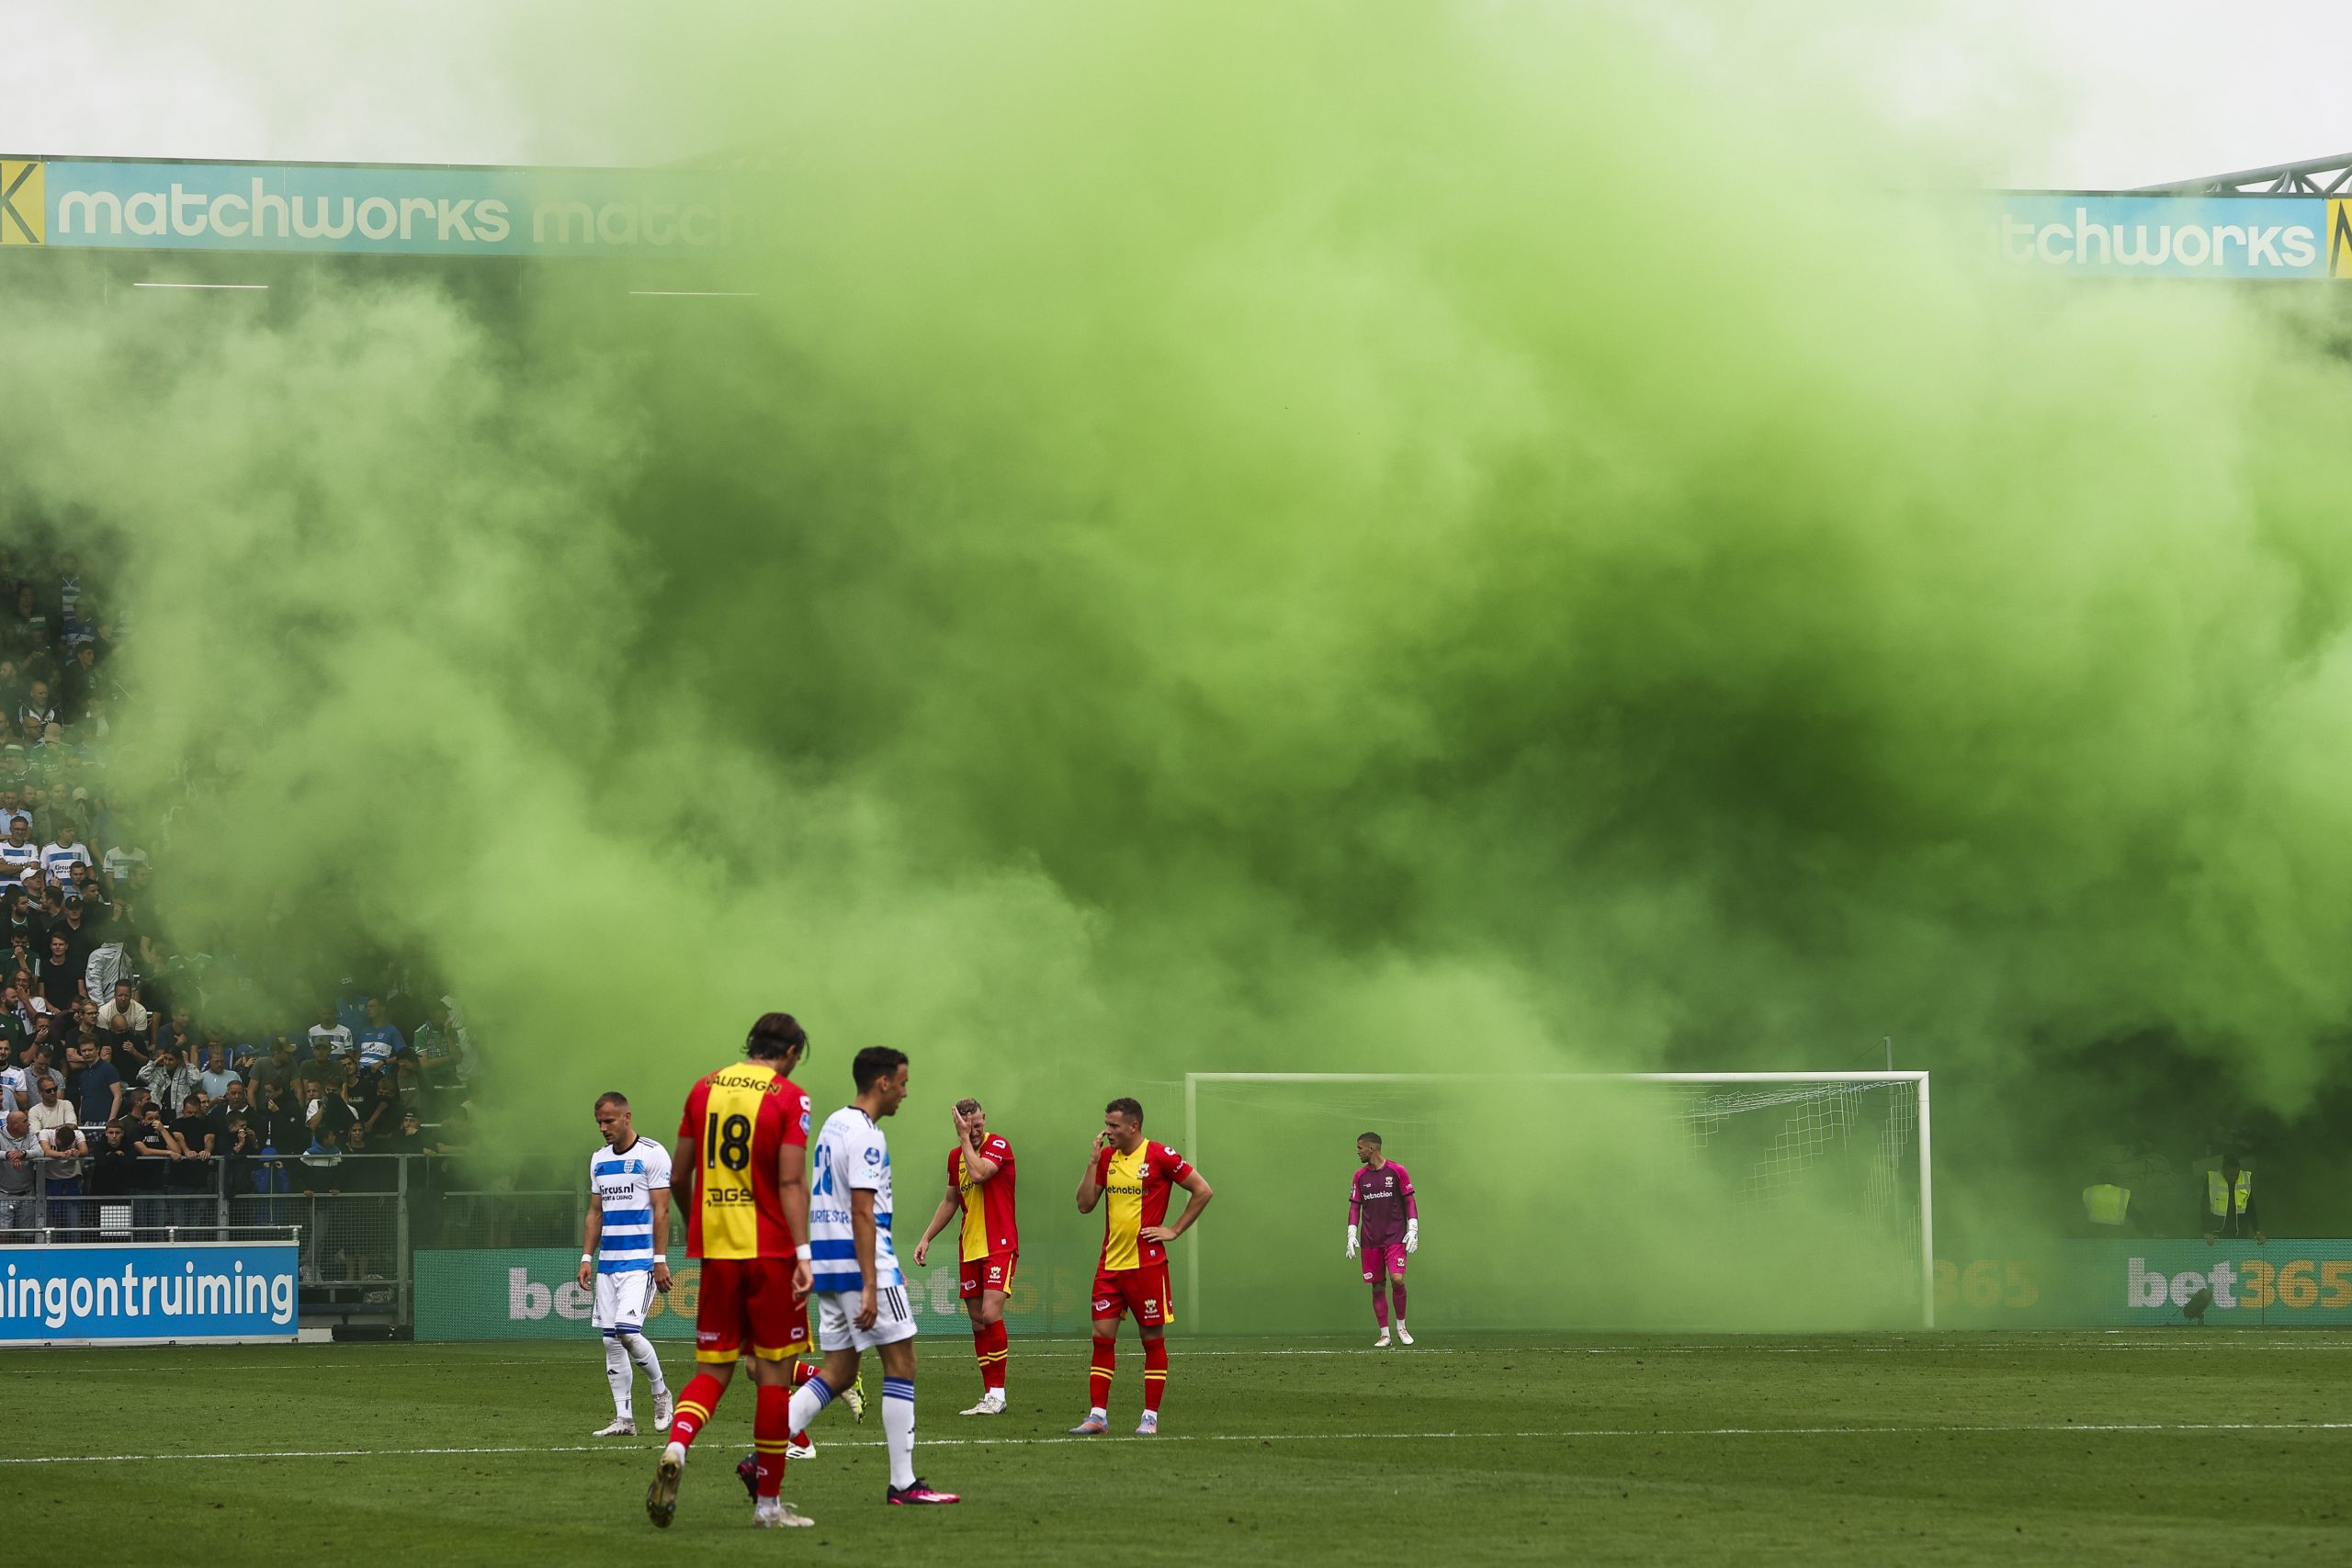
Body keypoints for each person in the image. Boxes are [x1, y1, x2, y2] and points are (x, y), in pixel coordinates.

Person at [755, 1046, 957, 1509]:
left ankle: (761, 1456)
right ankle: (904, 1484)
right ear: (883, 1082)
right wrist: (871, 1281)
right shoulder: (867, 1135)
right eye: (902, 1083)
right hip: (862, 1262)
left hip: (828, 1262)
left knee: (841, 1370)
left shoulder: (831, 1124)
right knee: (902, 1364)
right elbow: (862, 1211)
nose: (906, 1093)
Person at [647, 1012, 820, 1532]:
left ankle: (677, 1445)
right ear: (789, 1052)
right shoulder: (792, 1097)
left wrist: (695, 1220)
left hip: (718, 1250)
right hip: (770, 1252)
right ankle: (768, 1506)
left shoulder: (704, 1088)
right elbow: (790, 1181)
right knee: (772, 1377)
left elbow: (679, 1175)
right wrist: (805, 1252)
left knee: (712, 1370)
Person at [1070, 1096, 1214, 1436]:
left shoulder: (1160, 1156)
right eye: (1107, 1125)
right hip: (1109, 1266)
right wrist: (1092, 1163)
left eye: (1113, 1126)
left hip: (1147, 1267)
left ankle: (1149, 1417)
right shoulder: (1106, 1158)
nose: (1108, 1132)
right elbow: (1084, 1205)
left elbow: (1203, 1190)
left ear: (1134, 1126)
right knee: (1101, 1339)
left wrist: (1174, 1229)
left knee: (1152, 1340)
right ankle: (1097, 1416)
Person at [912, 1095, 1019, 1415]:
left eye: (977, 1124)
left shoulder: (998, 1145)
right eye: (966, 1126)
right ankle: (989, 1395)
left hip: (999, 1244)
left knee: (990, 1314)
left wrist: (964, 1141)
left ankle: (998, 1394)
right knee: (976, 1323)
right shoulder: (954, 1157)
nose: (973, 1131)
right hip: (970, 1246)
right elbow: (950, 1201)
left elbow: (980, 1174)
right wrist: (926, 1237)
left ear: (984, 1118)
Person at [579, 1090, 675, 1438]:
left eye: (609, 1121)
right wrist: (587, 1257)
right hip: (608, 1264)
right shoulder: (599, 1160)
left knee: (627, 1332)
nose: (603, 1127)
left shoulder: (653, 1154)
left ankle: (661, 1391)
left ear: (627, 1117)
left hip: (640, 1262)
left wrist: (660, 1260)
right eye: (599, 1122)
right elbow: (595, 1212)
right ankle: (625, 1420)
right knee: (611, 1341)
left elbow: (662, 1210)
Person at [1348, 1132, 1419, 1347]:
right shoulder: (1360, 1176)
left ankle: (1401, 1327)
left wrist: (1413, 1228)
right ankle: (1385, 1334)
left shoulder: (1398, 1171)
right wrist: (1351, 1233)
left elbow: (1409, 1200)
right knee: (1377, 1285)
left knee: (1397, 1280)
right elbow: (1354, 1206)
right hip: (1370, 1239)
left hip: (1395, 1236)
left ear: (1371, 1149)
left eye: (1360, 1148)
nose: (1357, 1151)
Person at [2202, 1154, 2266, 1245]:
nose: (2234, 1178)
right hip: (2217, 1234)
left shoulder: (2244, 1179)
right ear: (2223, 1171)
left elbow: (2251, 1208)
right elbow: (2204, 1207)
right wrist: (2206, 1232)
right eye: (2230, 1175)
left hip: (2240, 1233)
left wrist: (2257, 1231)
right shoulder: (2213, 1180)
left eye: (2236, 1174)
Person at [0, 1109, 37, 1239]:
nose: (29, 1124)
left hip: (27, 1193)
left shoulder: (30, 1135)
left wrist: (23, 1154)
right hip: (4, 1194)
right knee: (3, 1235)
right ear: (15, 1125)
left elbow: (40, 1151)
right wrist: (8, 1155)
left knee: (27, 1236)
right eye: (25, 1121)